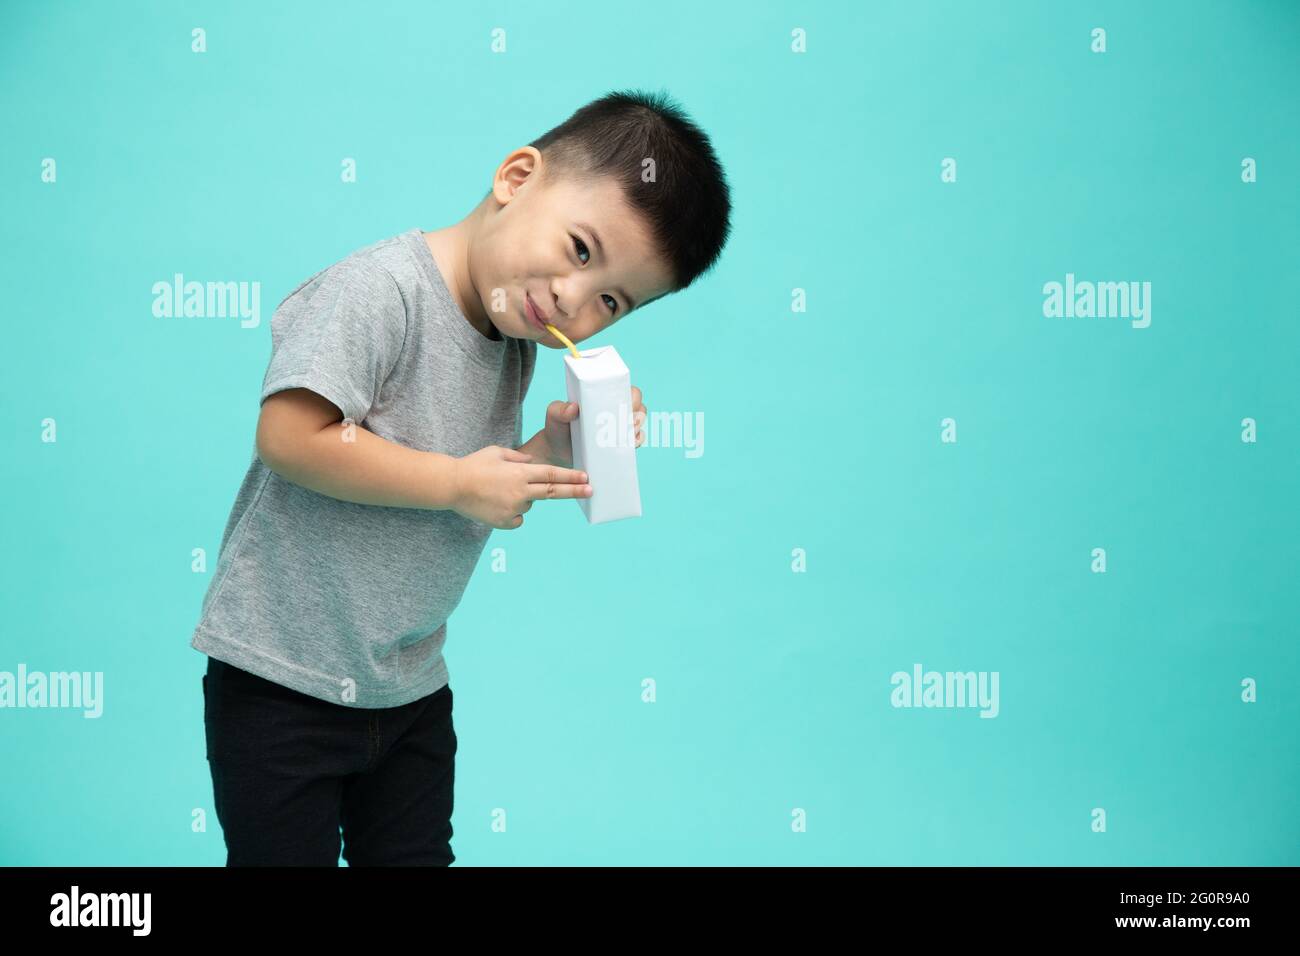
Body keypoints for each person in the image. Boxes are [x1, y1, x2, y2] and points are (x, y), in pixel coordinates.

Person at [192, 88, 733, 865]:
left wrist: (558, 448)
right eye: (581, 251)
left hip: (408, 686)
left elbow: (480, 483)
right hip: (283, 680)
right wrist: (453, 482)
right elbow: (289, 436)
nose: (573, 300)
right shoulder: (380, 293)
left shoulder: (512, 343)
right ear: (516, 178)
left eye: (611, 301)